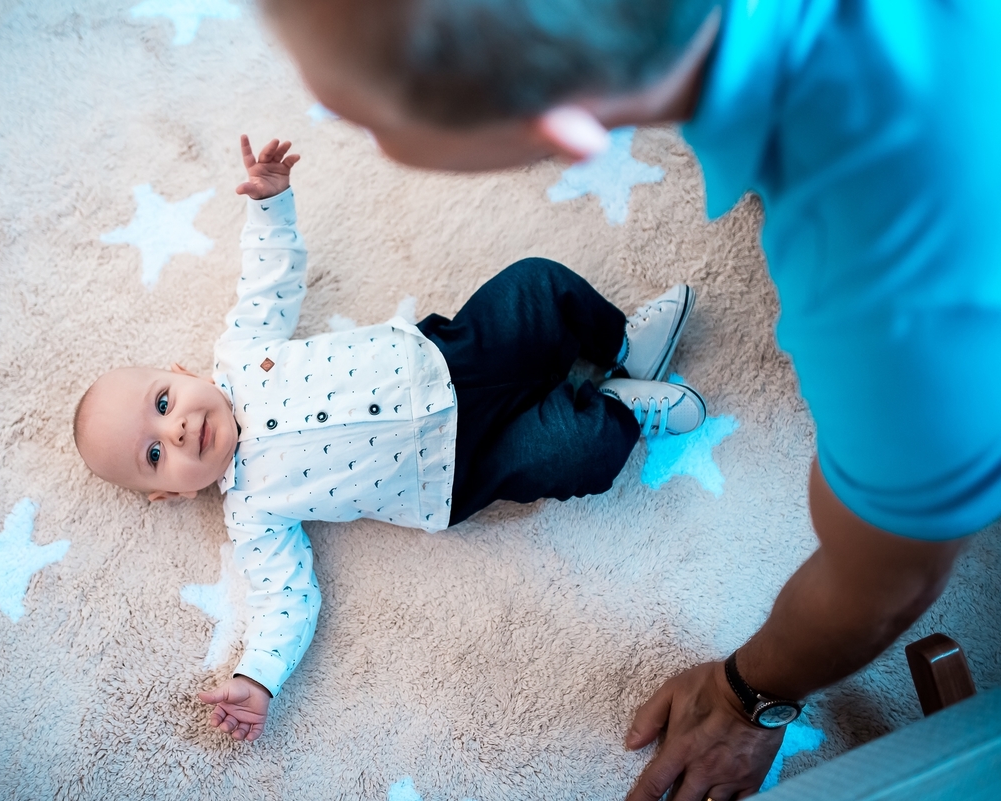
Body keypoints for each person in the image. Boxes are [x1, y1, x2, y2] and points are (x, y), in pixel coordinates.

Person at [255, 0, 1001, 797]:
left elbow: (886, 575)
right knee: (547, 447)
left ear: (567, 136)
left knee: (544, 328)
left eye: (358, 113)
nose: (320, 104)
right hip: (449, 467)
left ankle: (617, 375)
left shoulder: (890, 310)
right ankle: (619, 387)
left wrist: (746, 696)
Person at [72, 134, 707, 743]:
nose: (177, 428)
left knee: (537, 284)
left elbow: (269, 280)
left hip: (453, 357)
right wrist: (256, 676)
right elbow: (284, 599)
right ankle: (617, 408)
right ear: (172, 496)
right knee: (573, 452)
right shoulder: (252, 515)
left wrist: (270, 202)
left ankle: (620, 344)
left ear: (182, 374)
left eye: (163, 402)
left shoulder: (240, 352)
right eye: (155, 454)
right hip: (457, 470)